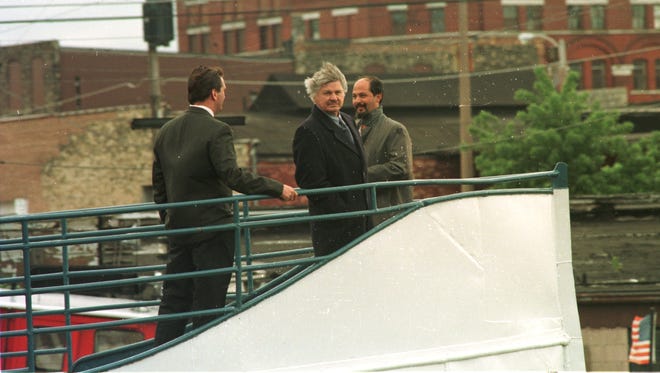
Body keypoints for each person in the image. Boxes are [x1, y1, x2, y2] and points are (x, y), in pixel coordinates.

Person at [152, 65, 297, 345]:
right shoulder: (218, 130)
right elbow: (232, 176)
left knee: (174, 301)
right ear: (214, 93)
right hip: (213, 230)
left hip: (179, 230)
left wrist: (170, 219)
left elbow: (160, 187)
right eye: (224, 91)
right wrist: (277, 187)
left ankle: (160, 357)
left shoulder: (166, 130)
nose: (225, 96)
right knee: (209, 303)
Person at [292, 62, 369, 256]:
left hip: (363, 220)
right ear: (314, 96)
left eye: (338, 92)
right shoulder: (308, 131)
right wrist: (345, 213)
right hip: (336, 226)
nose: (334, 97)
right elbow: (312, 183)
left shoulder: (349, 121)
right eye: (327, 93)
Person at [352, 76, 413, 225]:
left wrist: (359, 175)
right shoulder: (352, 128)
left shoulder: (394, 129)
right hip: (362, 213)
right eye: (354, 96)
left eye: (363, 95)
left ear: (378, 97)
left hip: (388, 215)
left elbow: (400, 167)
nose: (357, 100)